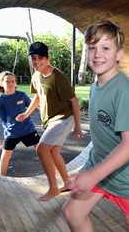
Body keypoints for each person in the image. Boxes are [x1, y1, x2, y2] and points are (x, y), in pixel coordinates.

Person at [62, 20, 129, 232]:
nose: (97, 54)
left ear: (119, 54)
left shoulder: (126, 92)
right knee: (72, 213)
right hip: (99, 163)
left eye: (105, 48)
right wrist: (90, 170)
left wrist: (92, 175)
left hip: (127, 173)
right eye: (92, 48)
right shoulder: (95, 86)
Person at [16, 41, 83, 201]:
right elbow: (38, 97)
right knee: (53, 151)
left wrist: (78, 126)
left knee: (41, 149)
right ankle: (67, 182)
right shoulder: (36, 76)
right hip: (51, 120)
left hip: (64, 118)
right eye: (34, 59)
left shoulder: (58, 77)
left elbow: (74, 101)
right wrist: (26, 113)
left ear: (47, 58)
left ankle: (53, 188)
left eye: (40, 58)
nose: (37, 62)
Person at [0, 71, 40, 176]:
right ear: (1, 83)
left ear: (16, 83)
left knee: (42, 151)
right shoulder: (0, 100)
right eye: (7, 81)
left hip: (28, 129)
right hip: (12, 133)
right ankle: (1, 178)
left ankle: (54, 173)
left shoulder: (22, 95)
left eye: (13, 81)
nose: (11, 83)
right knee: (6, 155)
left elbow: (33, 107)